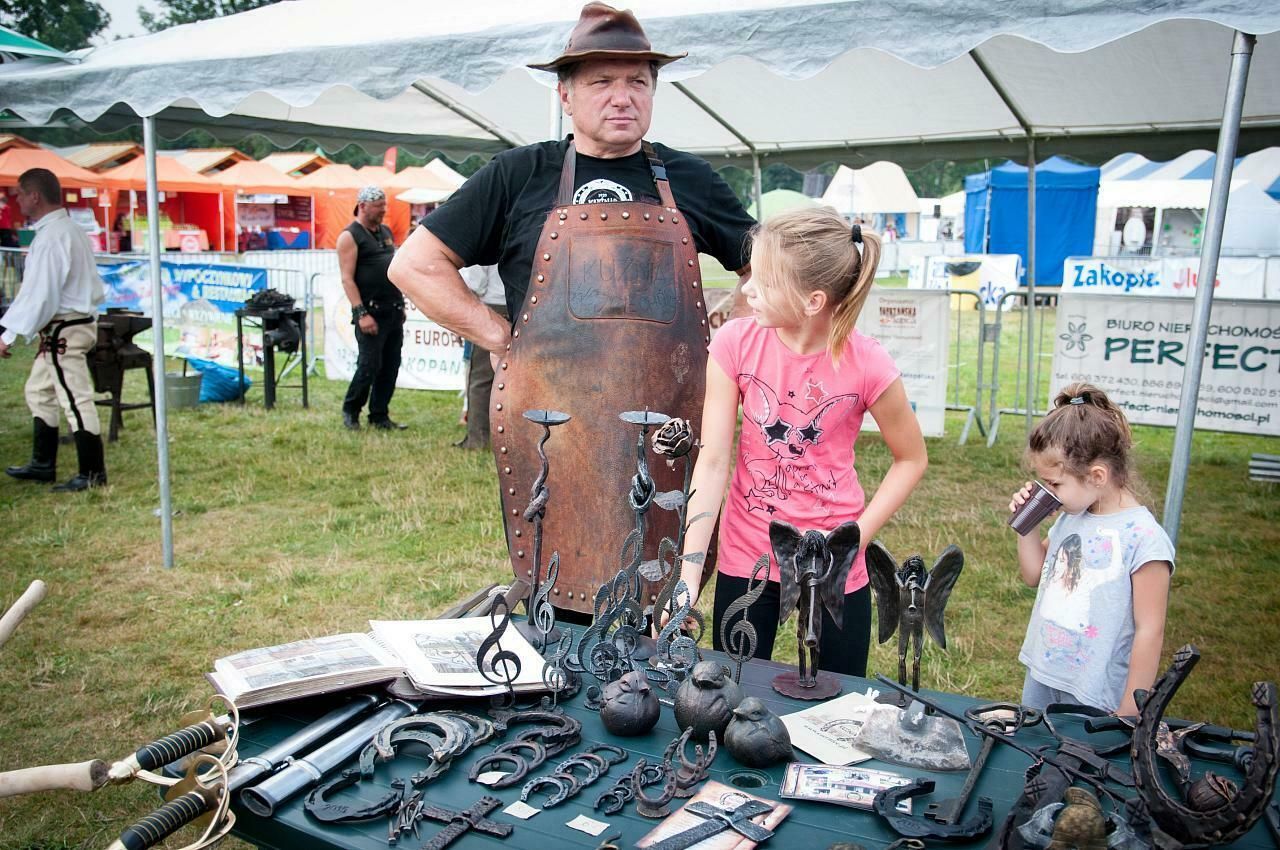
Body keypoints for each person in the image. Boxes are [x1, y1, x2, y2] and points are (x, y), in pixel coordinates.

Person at [389, 2, 755, 614]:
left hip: (667, 422)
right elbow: (414, 265)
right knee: (560, 580)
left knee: (661, 588)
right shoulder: (518, 175)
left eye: (638, 81)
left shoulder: (689, 179)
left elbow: (769, 267)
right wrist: (504, 339)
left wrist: (723, 342)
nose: (622, 97)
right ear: (565, 94)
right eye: (601, 81)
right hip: (554, 422)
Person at [674, 208, 928, 676]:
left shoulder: (868, 362)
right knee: (734, 690)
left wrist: (854, 541)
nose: (747, 290)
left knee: (837, 697)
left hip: (834, 565)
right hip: (748, 557)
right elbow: (711, 463)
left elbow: (911, 458)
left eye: (765, 282)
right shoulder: (734, 344)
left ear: (812, 301)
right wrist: (688, 576)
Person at [1009, 383, 1173, 717]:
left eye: (1055, 484)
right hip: (1043, 674)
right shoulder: (1073, 516)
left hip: (1094, 693)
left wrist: (1130, 710)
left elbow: (1150, 630)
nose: (1048, 492)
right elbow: (1033, 574)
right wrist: (1027, 524)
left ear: (1097, 476)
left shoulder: (1144, 539)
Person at [1, 168, 108, 492]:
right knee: (38, 390)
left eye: (21, 193)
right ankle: (42, 464)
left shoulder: (53, 237)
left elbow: (40, 295)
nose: (17, 200)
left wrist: (8, 335)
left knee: (75, 398)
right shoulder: (67, 230)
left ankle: (93, 473)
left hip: (66, 328)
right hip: (66, 326)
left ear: (35, 196)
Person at [339, 186, 407, 431]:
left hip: (392, 309)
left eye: (384, 206)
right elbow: (347, 279)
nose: (383, 211)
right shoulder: (350, 236)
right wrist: (361, 313)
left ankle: (379, 415)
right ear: (363, 206)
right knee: (369, 366)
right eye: (378, 207)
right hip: (370, 311)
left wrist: (400, 305)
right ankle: (351, 410)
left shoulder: (385, 232)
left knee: (390, 366)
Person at [456, 264, 506, 450]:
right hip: (521, 305)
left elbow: (474, 285)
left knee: (480, 380)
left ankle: (477, 440)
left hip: (491, 308)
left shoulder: (486, 248)